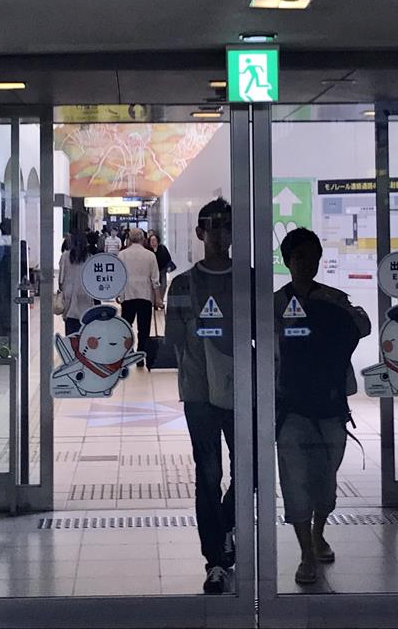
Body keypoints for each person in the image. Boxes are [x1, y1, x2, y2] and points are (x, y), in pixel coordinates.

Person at [274, 227, 370, 586]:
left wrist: (334, 308)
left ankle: (318, 533)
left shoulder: (333, 298)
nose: (306, 263)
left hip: (330, 406)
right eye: (299, 257)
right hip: (290, 407)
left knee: (325, 480)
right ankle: (305, 553)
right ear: (287, 261)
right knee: (295, 481)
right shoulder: (275, 304)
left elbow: (363, 326)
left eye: (313, 257)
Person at [164, 198, 235, 595]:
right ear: (200, 232)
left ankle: (224, 528)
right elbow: (174, 339)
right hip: (198, 394)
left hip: (241, 391)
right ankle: (216, 560)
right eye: (213, 226)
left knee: (251, 471)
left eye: (227, 226)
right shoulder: (182, 285)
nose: (220, 234)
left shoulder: (248, 280)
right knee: (208, 475)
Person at [116, 227, 160, 365]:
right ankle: (141, 355)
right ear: (143, 239)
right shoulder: (150, 255)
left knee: (126, 326)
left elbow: (119, 276)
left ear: (129, 239)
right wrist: (158, 298)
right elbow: (155, 279)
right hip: (145, 295)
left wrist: (118, 293)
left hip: (128, 294)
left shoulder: (122, 255)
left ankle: (129, 352)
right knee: (144, 327)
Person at [57, 230, 94, 337]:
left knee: (70, 331)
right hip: (85, 293)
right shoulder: (90, 258)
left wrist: (62, 288)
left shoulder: (65, 256)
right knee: (84, 328)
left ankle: (71, 345)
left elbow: (61, 279)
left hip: (69, 293)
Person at [146, 230, 175, 306]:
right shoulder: (148, 250)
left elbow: (168, 258)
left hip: (162, 270)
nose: (153, 242)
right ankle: (154, 301)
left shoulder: (162, 248)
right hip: (152, 271)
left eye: (154, 240)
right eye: (151, 240)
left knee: (163, 285)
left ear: (157, 241)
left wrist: (169, 267)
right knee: (153, 287)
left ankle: (160, 300)